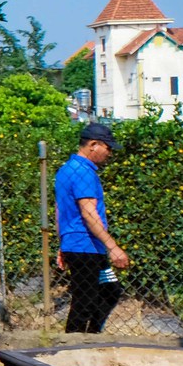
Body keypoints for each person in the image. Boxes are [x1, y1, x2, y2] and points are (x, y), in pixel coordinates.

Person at [56, 121, 130, 333]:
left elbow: (60, 210)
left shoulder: (66, 170)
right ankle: (74, 345)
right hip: (85, 246)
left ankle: (91, 335)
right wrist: (113, 248)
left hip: (79, 245)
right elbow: (89, 213)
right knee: (85, 300)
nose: (110, 153)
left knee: (109, 290)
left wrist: (63, 243)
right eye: (107, 148)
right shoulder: (83, 172)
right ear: (93, 145)